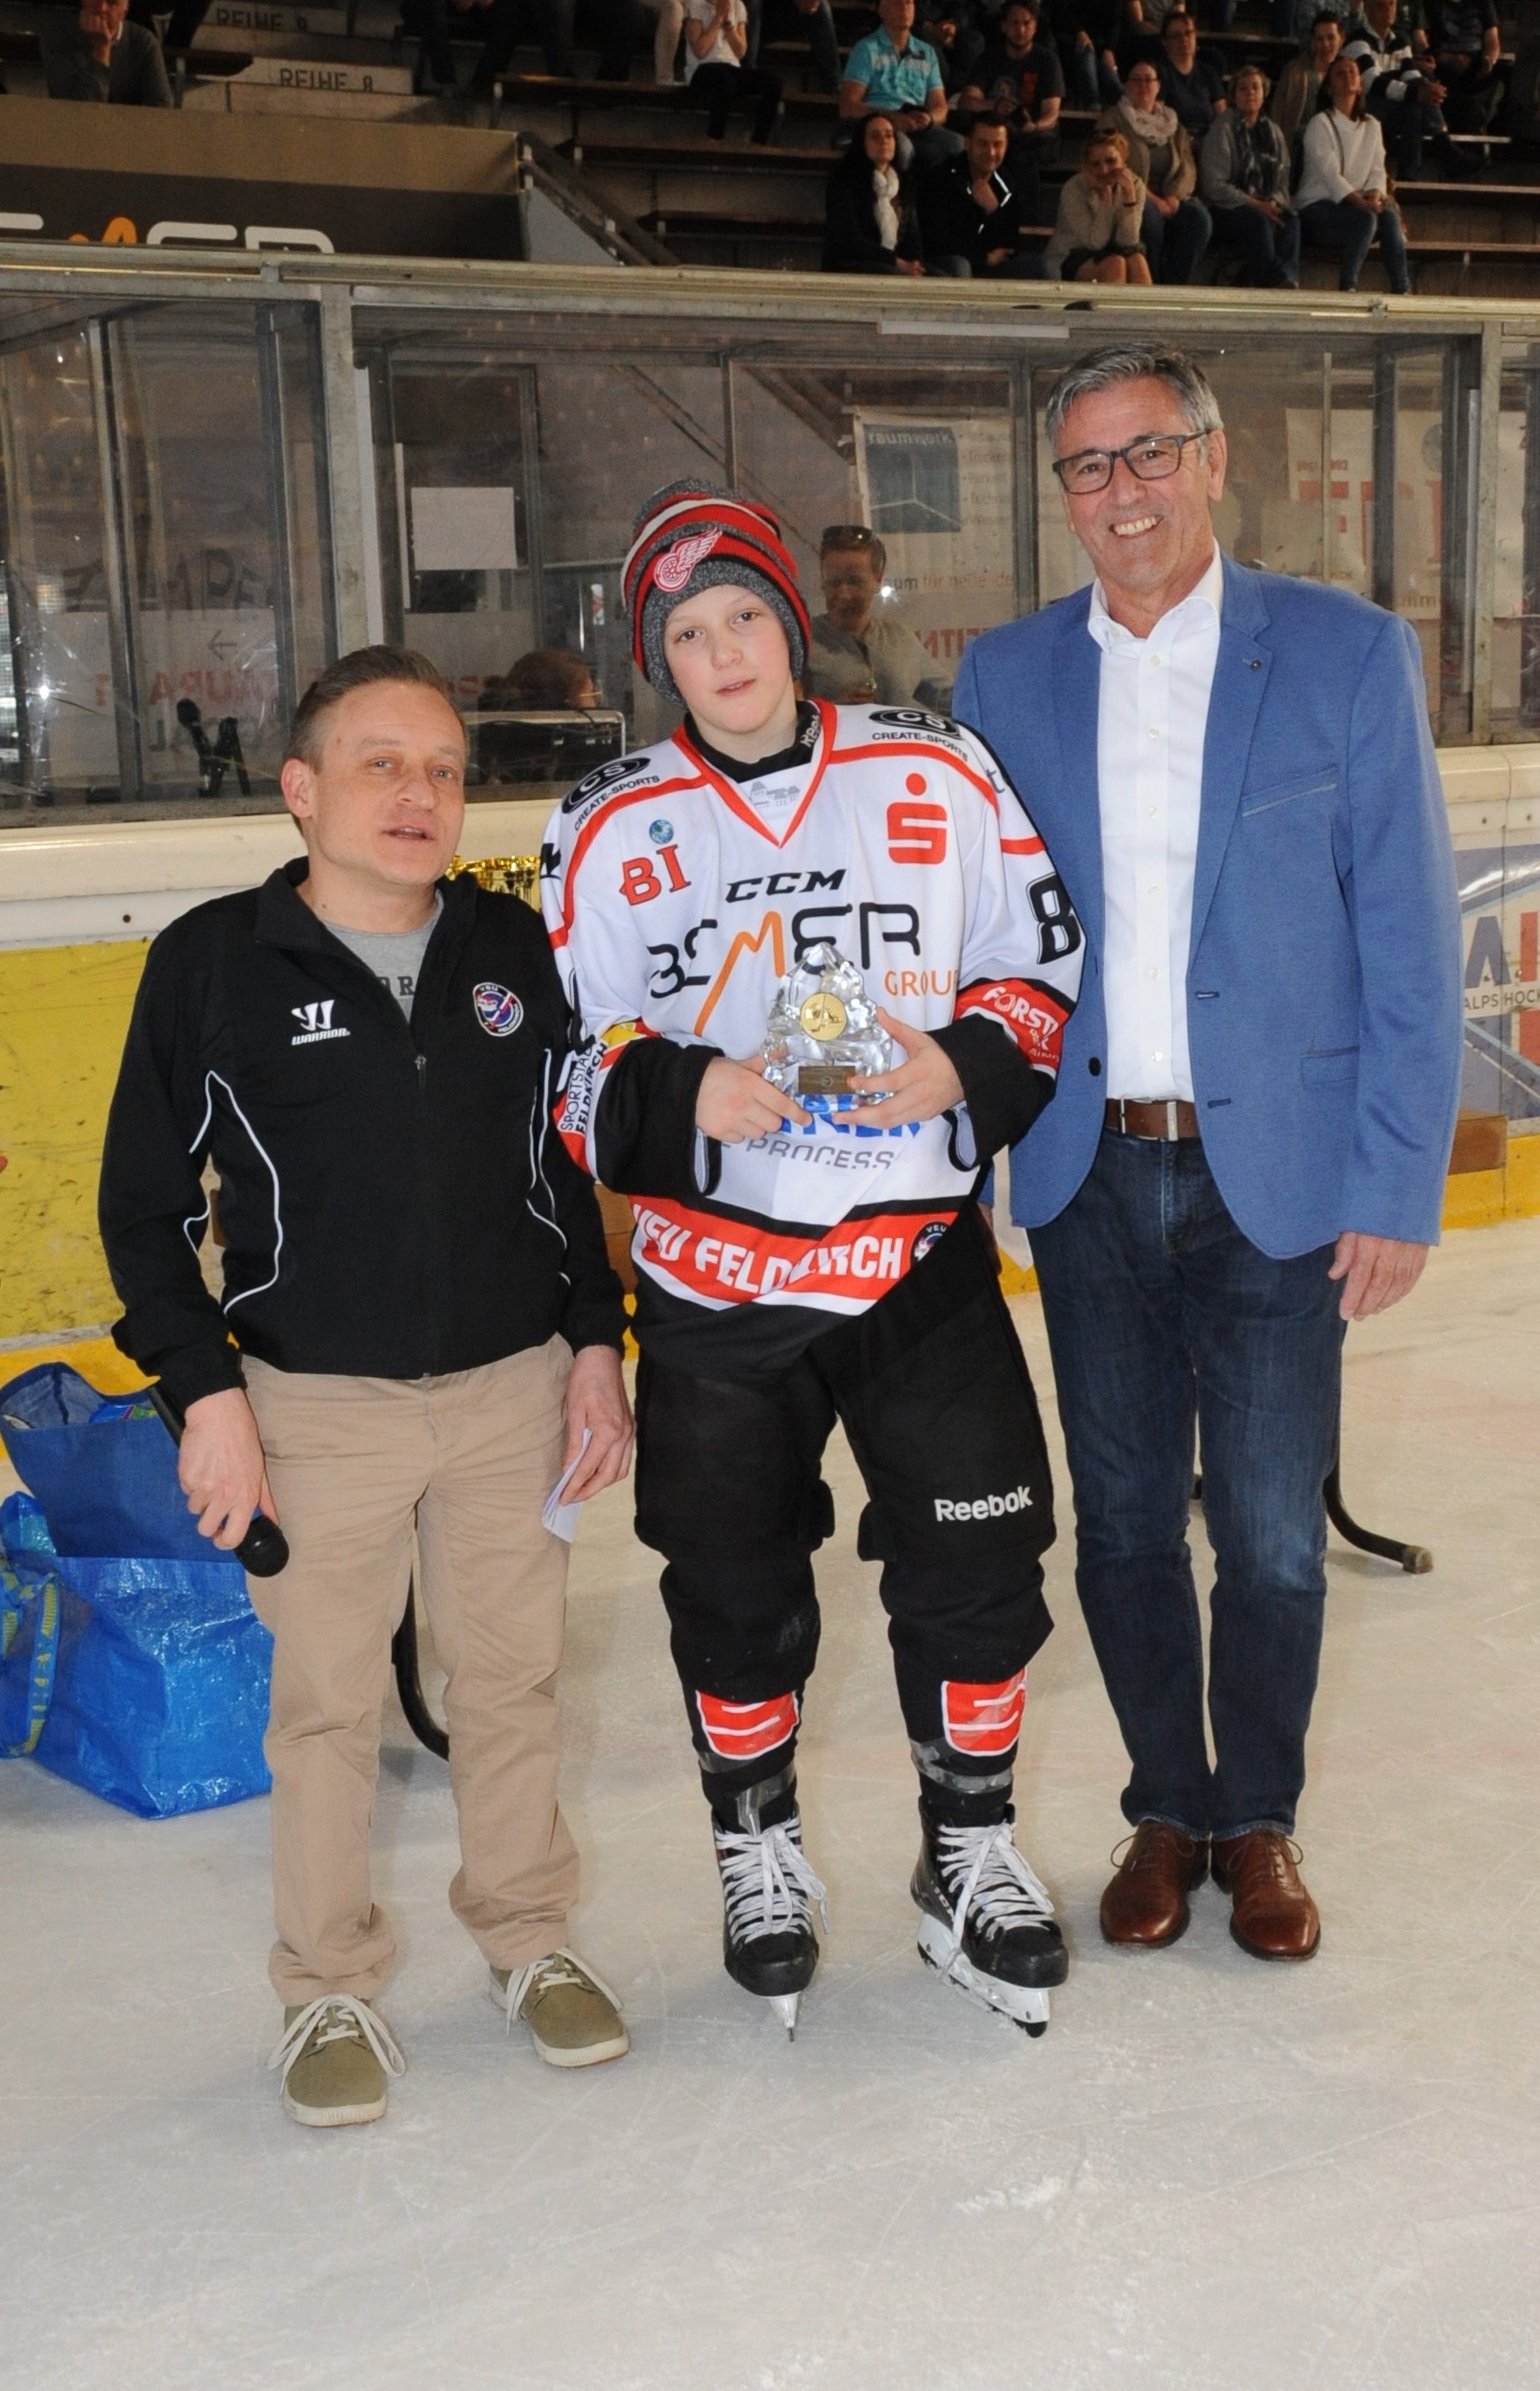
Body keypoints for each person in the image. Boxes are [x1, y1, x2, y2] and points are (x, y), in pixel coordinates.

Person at [543, 482, 1086, 2038]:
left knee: (979, 1563)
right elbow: (564, 1061)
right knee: (730, 1584)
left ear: (792, 620)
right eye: (687, 634)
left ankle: (966, 1847)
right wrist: (676, 1092)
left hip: (917, 1262)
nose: (723, 652)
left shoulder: (934, 765)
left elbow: (1037, 956)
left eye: (745, 616)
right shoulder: (605, 823)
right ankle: (756, 1842)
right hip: (716, 1287)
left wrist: (964, 1063)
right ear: (659, 660)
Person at [953, 342, 1461, 1966]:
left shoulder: (1346, 654)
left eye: (1150, 452)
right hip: (1085, 1171)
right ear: (1064, 494)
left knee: (1270, 1537)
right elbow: (974, 937)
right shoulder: (1003, 677)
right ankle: (1165, 1806)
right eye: (1090, 466)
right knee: (1117, 1524)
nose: (1123, 492)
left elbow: (1407, 938)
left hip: (1282, 1183)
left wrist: (1395, 1182)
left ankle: (1259, 1819)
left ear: (1215, 458)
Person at [98, 646, 634, 2127]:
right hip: (313, 1406)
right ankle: (325, 1981)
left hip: (513, 1388)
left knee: (510, 1682)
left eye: (445, 769)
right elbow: (141, 1212)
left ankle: (527, 1934)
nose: (419, 794)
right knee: (328, 1706)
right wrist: (207, 1396)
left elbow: (564, 1169)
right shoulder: (212, 962)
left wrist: (597, 1344)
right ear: (301, 787)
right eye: (382, 762)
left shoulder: (511, 947)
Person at [1296, 51, 1411, 292]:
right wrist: (1364, 204)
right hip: (1319, 208)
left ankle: (1401, 288)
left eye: (1352, 73)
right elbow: (1331, 176)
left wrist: (1374, 197)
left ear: (1360, 84)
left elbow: (1378, 169)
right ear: (1329, 88)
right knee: (1365, 218)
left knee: (1389, 217)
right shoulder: (1320, 123)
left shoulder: (1372, 125)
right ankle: (1348, 286)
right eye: (1340, 74)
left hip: (1356, 206)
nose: (1347, 77)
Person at [806, 522, 954, 704]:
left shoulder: (900, 638)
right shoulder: (803, 643)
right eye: (834, 582)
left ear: (878, 580)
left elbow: (950, 699)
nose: (844, 594)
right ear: (822, 580)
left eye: (854, 582)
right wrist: (835, 710)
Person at [1097, 57, 1213, 282]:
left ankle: (1175, 285)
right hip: (1130, 196)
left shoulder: (1173, 124)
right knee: (1149, 218)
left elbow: (1188, 166)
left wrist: (1173, 196)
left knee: (1199, 219)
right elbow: (1113, 165)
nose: (1143, 85)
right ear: (1126, 86)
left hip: (1170, 199)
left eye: (1149, 80)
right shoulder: (1113, 119)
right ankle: (1152, 284)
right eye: (1136, 80)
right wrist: (1152, 199)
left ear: (1158, 86)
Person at [959, 0, 1065, 229]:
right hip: (997, 132)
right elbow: (967, 101)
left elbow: (1051, 114)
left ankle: (1026, 226)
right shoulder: (989, 58)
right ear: (1004, 26)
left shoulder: (1047, 60)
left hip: (1032, 136)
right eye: (1015, 23)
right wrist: (993, 105)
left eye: (1027, 23)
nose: (1021, 29)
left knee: (1023, 154)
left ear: (1035, 26)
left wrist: (1033, 126)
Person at [1198, 62, 1301, 285]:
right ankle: (1267, 284)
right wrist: (1255, 204)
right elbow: (1214, 185)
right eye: (1243, 88)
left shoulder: (1274, 131)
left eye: (1255, 87)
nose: (1250, 93)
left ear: (1264, 93)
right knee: (1259, 222)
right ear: (1234, 95)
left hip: (1266, 205)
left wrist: (1273, 202)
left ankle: (1285, 279)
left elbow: (1283, 181)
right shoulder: (1222, 128)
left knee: (1290, 221)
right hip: (1228, 208)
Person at [920, 109, 1049, 276]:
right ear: (968, 144)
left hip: (992, 264)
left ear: (1006, 145)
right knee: (960, 266)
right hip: (951, 265)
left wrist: (993, 210)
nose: (991, 152)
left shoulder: (1007, 183)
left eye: (997, 144)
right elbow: (937, 242)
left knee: (1043, 268)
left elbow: (1010, 245)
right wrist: (982, 258)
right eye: (983, 144)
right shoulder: (942, 178)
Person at [840, 0, 964, 173]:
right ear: (882, 9)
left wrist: (929, 118)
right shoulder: (866, 49)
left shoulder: (927, 52)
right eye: (897, 3)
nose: (905, 7)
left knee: (958, 145)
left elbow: (940, 107)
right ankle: (894, 189)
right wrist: (890, 117)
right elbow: (848, 106)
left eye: (909, 3)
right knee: (903, 147)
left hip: (916, 121)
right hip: (882, 120)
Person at [1342, 0, 1447, 181]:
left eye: (1391, 4)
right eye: (1380, 5)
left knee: (1415, 103)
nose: (1388, 10)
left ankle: (1410, 175)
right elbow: (1371, 82)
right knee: (1414, 97)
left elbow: (1410, 75)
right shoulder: (1357, 39)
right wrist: (1416, 92)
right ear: (1368, 10)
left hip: (1390, 106)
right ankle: (1444, 144)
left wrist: (1428, 89)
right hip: (1362, 106)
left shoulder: (1400, 40)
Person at [822, 112, 928, 271]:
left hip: (896, 264)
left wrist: (914, 265)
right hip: (853, 263)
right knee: (887, 273)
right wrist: (896, 263)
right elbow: (849, 239)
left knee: (942, 277)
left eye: (889, 135)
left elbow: (912, 236)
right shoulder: (844, 178)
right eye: (875, 136)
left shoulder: (904, 181)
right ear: (862, 142)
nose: (884, 141)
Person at [1043, 129, 1152, 278]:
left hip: (1111, 250)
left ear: (1123, 159)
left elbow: (1128, 242)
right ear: (1087, 166)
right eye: (1096, 164)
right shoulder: (1074, 188)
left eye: (1111, 161)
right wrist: (1105, 200)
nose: (1104, 170)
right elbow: (1095, 244)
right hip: (1071, 254)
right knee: (1115, 263)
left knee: (1137, 261)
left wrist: (1129, 200)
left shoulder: (1135, 184)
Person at [681, 0, 782, 137]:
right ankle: (714, 138)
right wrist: (717, 19)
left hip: (731, 68)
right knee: (725, 80)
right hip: (702, 69)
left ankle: (759, 141)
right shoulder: (695, 4)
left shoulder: (737, 5)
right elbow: (700, 51)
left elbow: (740, 52)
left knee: (773, 82)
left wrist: (728, 27)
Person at [41, 0, 172, 106]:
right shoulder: (59, 35)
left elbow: (161, 107)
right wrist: (101, 50)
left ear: (125, 10)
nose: (102, 8)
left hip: (127, 128)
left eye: (112, 2)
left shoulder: (144, 42)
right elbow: (79, 111)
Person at [1425, 0, 1502, 135]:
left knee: (1505, 74)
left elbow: (1492, 39)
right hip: (1444, 66)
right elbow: (1424, 44)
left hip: (1476, 65)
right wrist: (1447, 58)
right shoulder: (1431, 4)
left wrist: (1489, 59)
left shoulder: (1483, 3)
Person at [1270, 9, 1345, 147]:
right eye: (1319, 39)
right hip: (1300, 146)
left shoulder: (1348, 74)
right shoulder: (1294, 72)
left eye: (1331, 38)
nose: (1325, 44)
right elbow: (1278, 114)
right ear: (1313, 42)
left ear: (1341, 39)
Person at [1153, 7, 1226, 137]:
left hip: (1208, 139)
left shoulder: (1208, 71)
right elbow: (1157, 115)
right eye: (1176, 36)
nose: (1184, 39)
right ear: (1165, 42)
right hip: (1175, 140)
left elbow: (1222, 113)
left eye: (1188, 33)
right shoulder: (1160, 73)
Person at [744, 0, 841, 96]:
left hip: (781, 16)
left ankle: (833, 85)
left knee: (821, 7)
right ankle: (748, 79)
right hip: (749, 19)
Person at [1043, 0, 1123, 111]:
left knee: (1107, 68)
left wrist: (1109, 49)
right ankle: (1093, 105)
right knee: (1086, 53)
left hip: (1100, 42)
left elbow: (1115, 21)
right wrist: (1079, 32)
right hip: (1069, 35)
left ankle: (1124, 102)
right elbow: (1060, 10)